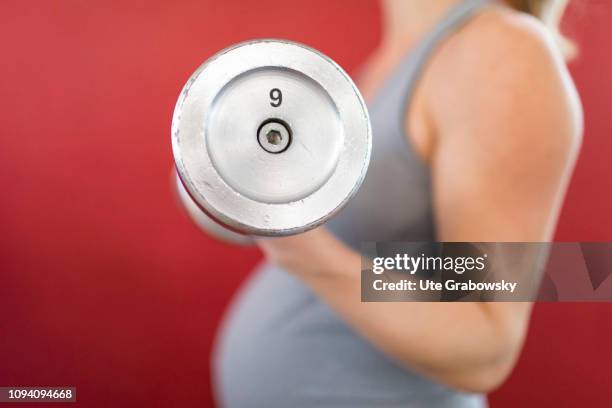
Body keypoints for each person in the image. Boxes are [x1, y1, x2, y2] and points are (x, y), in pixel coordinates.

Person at [213, 0, 582, 406]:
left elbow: (487, 342)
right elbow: (392, 261)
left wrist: (298, 249)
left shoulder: (501, 52)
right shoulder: (402, 52)